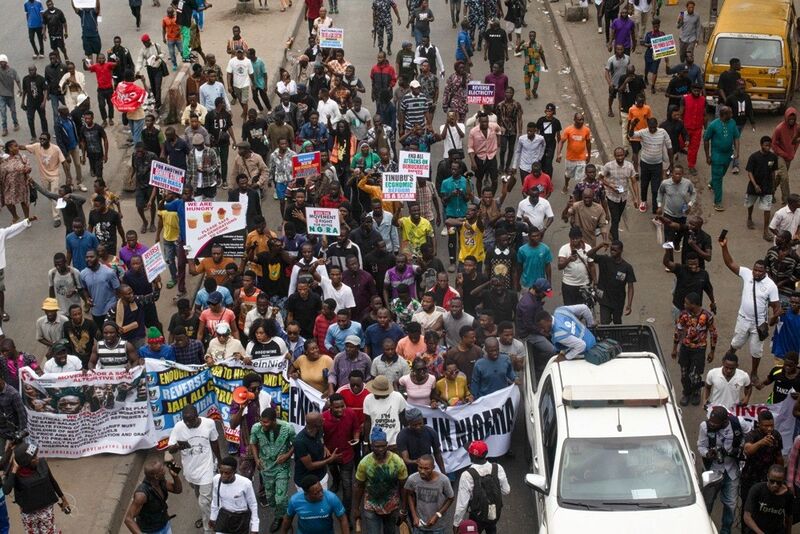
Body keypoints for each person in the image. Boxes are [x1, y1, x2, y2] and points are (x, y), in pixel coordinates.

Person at [720, 235, 781, 380]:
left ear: (766, 271)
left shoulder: (771, 286)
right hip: (743, 319)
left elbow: (776, 306)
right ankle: (729, 359)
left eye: (760, 271)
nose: (757, 273)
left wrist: (773, 318)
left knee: (756, 351)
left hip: (759, 324)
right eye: (755, 270)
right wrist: (724, 247)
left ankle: (754, 372)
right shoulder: (747, 274)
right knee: (736, 342)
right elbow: (730, 263)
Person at [166, 404, 221, 534]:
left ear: (197, 416)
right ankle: (209, 515)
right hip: (190, 471)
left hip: (206, 468)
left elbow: (214, 442)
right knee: (200, 498)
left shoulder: (209, 424)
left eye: (191, 420)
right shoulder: (179, 427)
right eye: (186, 421)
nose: (188, 423)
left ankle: (209, 529)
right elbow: (170, 449)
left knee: (203, 501)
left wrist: (220, 460)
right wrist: (178, 445)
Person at [697, 406, 745, 534]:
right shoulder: (704, 426)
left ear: (724, 421)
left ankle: (725, 531)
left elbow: (748, 436)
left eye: (715, 424)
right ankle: (704, 529)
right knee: (707, 502)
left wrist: (740, 448)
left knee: (731, 504)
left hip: (731, 470)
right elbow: (701, 446)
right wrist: (708, 454)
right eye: (710, 422)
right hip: (712, 469)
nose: (711, 425)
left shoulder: (738, 423)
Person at [353, 425, 409, 532]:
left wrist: (403, 509)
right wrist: (356, 508)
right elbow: (359, 486)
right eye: (376, 447)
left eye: (383, 446)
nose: (380, 449)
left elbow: (403, 486)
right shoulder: (364, 463)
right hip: (371, 507)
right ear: (371, 446)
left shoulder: (397, 461)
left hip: (392, 507)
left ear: (387, 445)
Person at [5, 442, 69, 533]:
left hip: (46, 511)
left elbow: (52, 481)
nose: (37, 458)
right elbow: (6, 490)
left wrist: (63, 498)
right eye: (33, 457)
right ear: (25, 462)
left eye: (36, 455)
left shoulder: (42, 463)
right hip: (29, 514)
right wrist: (14, 469)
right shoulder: (16, 473)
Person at [250, 407, 295, 532]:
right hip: (266, 468)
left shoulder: (287, 428)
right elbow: (253, 443)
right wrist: (256, 459)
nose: (262, 424)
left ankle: (284, 519)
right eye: (261, 421)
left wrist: (287, 455)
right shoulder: (256, 428)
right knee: (271, 499)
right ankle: (280, 514)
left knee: (280, 498)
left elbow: (296, 444)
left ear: (274, 420)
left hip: (282, 468)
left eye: (266, 422)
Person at [453, 440, 510, 532]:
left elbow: (462, 504)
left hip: (476, 515)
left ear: (471, 455)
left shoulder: (467, 475)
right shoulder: (497, 468)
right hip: (494, 512)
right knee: (491, 528)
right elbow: (506, 490)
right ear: (486, 453)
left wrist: (456, 523)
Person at [673, 291, 718, 406]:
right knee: (684, 373)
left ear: (694, 304)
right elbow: (678, 330)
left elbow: (713, 333)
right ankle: (686, 393)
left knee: (696, 374)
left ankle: (696, 392)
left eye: (686, 303)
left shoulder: (707, 316)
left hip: (699, 349)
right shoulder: (683, 315)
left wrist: (712, 352)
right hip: (685, 348)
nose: (684, 305)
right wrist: (675, 348)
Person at [740, 410, 784, 519]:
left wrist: (782, 476)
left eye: (771, 425)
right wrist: (761, 443)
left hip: (768, 479)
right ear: (759, 424)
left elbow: (779, 456)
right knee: (748, 508)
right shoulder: (752, 435)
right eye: (766, 426)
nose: (769, 428)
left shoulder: (776, 435)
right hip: (750, 477)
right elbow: (747, 450)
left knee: (765, 508)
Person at [124, 460, 182, 534]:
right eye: (162, 469)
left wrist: (175, 476)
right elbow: (128, 519)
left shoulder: (161, 482)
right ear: (156, 476)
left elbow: (177, 490)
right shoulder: (141, 495)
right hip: (150, 531)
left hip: (164, 525)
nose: (165, 470)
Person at [281, 474, 350, 534]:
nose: (321, 494)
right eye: (316, 493)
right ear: (306, 493)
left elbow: (343, 519)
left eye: (321, 490)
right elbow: (288, 519)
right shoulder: (295, 501)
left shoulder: (331, 498)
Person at [405, 453, 454, 533]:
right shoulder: (412, 479)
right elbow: (410, 495)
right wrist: (414, 516)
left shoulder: (443, 480)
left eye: (426, 468)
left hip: (437, 527)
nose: (422, 471)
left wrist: (437, 515)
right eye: (420, 467)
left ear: (433, 467)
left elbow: (451, 498)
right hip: (420, 525)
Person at [209, 456, 259, 534]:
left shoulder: (245, 483)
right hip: (224, 517)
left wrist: (254, 527)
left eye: (227, 473)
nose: (223, 476)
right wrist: (213, 517)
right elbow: (215, 500)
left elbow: (253, 504)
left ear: (234, 472)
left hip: (240, 519)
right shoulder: (216, 480)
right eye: (221, 472)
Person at [704, 106, 741, 211]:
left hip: (728, 155)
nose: (732, 115)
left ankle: (712, 183)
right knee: (719, 178)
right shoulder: (713, 125)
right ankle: (718, 202)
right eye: (730, 113)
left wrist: (737, 151)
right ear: (723, 114)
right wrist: (708, 156)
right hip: (717, 156)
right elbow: (706, 140)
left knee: (721, 174)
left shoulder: (732, 122)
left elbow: (736, 137)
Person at [746, 136, 779, 241]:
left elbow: (773, 171)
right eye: (766, 145)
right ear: (761, 145)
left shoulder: (773, 157)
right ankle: (749, 218)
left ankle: (765, 230)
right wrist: (755, 185)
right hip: (754, 186)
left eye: (769, 145)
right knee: (750, 203)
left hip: (767, 186)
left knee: (767, 209)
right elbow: (749, 172)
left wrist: (773, 186)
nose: (768, 147)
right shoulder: (754, 157)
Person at [743, 464, 793, 534]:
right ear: (767, 477)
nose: (775, 485)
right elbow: (747, 516)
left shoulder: (788, 494)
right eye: (772, 481)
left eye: (779, 482)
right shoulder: (757, 489)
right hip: (756, 530)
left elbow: (789, 517)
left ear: (783, 480)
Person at [771, 107, 800, 205]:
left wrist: (793, 153)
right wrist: (783, 154)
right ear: (786, 118)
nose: (791, 121)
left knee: (780, 176)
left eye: (793, 119)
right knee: (785, 177)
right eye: (789, 119)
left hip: (789, 156)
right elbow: (773, 144)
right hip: (780, 155)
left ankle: (770, 192)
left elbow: (796, 141)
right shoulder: (779, 128)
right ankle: (787, 201)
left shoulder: (797, 127)